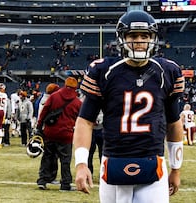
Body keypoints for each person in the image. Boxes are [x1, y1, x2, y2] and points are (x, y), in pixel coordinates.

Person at [73, 10, 184, 203]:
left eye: (145, 36)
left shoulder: (167, 71)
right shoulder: (104, 71)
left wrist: (176, 168)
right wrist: (81, 164)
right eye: (133, 35)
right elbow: (85, 121)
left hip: (153, 159)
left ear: (153, 38)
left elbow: (174, 123)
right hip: (113, 159)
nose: (139, 41)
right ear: (121, 39)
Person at [36, 77, 82, 191]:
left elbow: (44, 111)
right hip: (66, 134)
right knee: (65, 160)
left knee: (47, 157)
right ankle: (65, 184)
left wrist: (39, 126)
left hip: (50, 132)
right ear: (75, 87)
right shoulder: (77, 102)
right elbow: (81, 119)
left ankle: (43, 180)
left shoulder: (54, 96)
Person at [88, 110, 104, 176]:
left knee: (103, 153)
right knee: (89, 153)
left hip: (102, 128)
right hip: (91, 129)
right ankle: (89, 173)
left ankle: (103, 172)